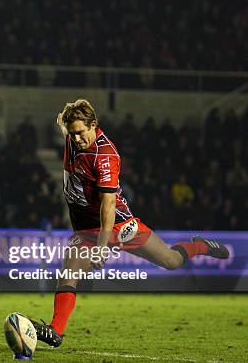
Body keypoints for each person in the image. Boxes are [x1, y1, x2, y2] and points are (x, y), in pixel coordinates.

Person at [28, 100, 229, 348]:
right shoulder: (71, 137)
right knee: (69, 274)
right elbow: (65, 125)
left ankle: (199, 246)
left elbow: (108, 205)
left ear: (93, 125)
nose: (76, 138)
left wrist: (102, 247)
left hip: (120, 226)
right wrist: (63, 122)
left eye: (80, 132)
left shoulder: (105, 156)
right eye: (72, 133)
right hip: (86, 228)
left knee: (171, 261)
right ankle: (55, 331)